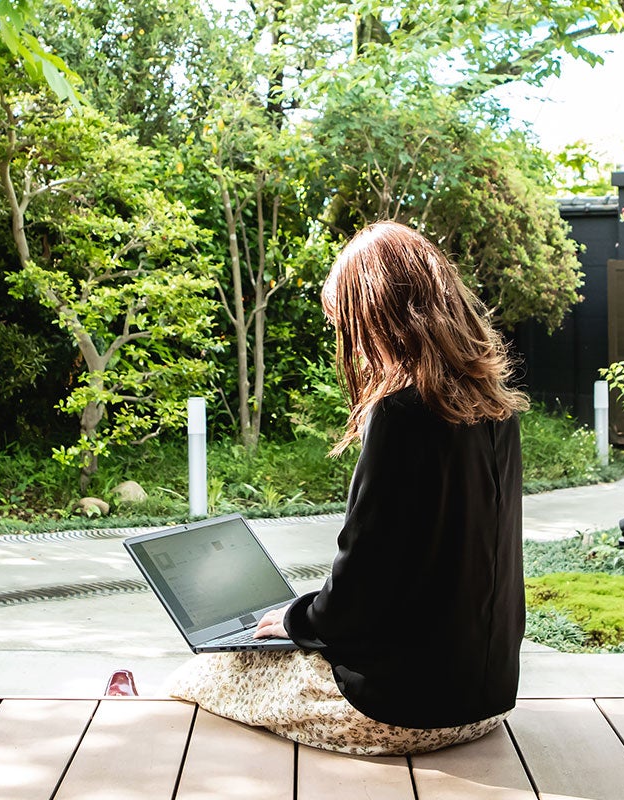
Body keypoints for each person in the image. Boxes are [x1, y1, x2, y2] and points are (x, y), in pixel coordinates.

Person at [163, 220, 527, 756]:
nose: (354, 343)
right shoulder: (496, 409)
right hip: (487, 701)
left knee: (204, 673)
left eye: (350, 323)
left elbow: (361, 587)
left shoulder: (401, 413)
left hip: (404, 710)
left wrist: (294, 618)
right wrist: (310, 615)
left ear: (382, 315)